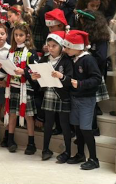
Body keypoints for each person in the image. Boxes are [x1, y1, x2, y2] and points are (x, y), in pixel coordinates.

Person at [31, 31, 73, 162]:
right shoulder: (44, 59)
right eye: (48, 45)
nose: (50, 48)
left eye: (54, 46)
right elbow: (39, 77)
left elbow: (70, 80)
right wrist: (34, 77)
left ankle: (68, 151)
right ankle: (45, 150)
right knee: (48, 123)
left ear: (61, 46)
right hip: (48, 93)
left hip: (62, 95)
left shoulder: (66, 61)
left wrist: (61, 77)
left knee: (64, 124)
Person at [63, 30, 102, 170]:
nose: (65, 49)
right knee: (77, 127)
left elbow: (97, 78)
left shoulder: (88, 60)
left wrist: (80, 84)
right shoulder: (73, 59)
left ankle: (94, 159)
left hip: (86, 99)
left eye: (68, 47)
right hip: (75, 98)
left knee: (86, 129)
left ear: (77, 47)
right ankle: (80, 154)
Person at [4, 22, 39, 155]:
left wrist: (23, 71)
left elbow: (34, 70)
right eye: (16, 35)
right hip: (13, 86)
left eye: (21, 35)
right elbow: (8, 65)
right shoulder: (11, 51)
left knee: (29, 116)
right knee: (12, 114)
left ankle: (31, 143)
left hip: (26, 88)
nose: (18, 38)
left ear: (27, 36)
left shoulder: (31, 52)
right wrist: (1, 66)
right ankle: (10, 140)